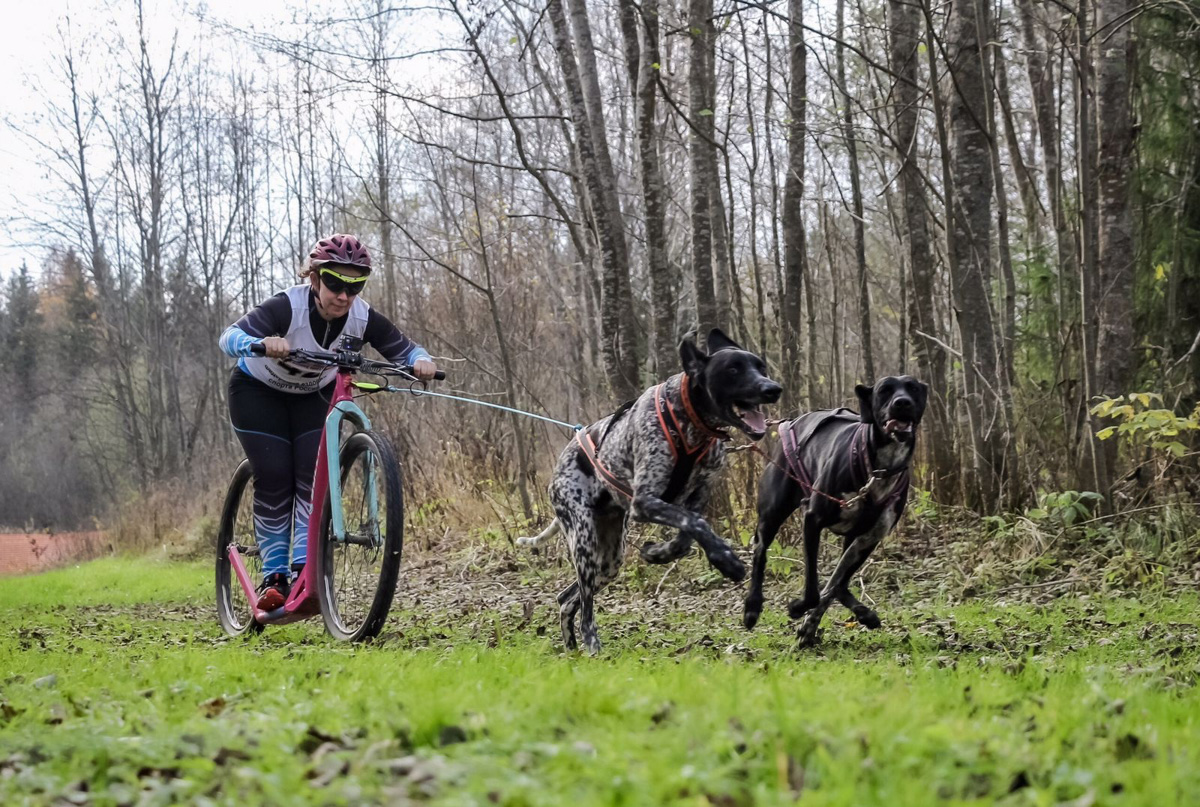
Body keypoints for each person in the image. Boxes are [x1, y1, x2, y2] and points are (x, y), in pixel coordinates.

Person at [219, 234, 437, 610]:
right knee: (275, 475)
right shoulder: (287, 306)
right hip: (257, 393)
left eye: (355, 286)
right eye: (335, 284)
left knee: (312, 475)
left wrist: (421, 361)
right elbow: (229, 337)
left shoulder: (361, 316)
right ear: (315, 278)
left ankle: (305, 566)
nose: (344, 296)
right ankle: (274, 577)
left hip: (310, 398)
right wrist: (260, 343)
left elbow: (405, 348)